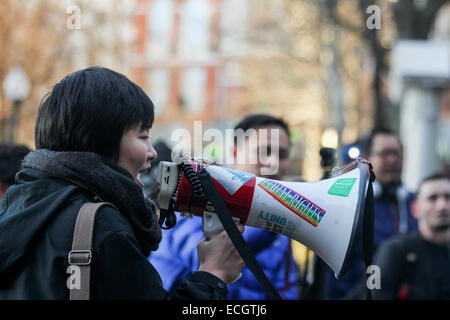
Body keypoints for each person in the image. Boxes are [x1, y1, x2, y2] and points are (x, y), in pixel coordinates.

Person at [0, 67, 245, 299]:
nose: (152, 153)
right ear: (102, 139)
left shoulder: (15, 206)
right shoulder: (101, 226)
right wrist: (214, 273)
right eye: (143, 136)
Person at [149, 114, 300, 300]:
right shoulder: (192, 201)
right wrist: (278, 219)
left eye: (282, 155)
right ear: (235, 153)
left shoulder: (279, 232)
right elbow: (203, 260)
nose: (273, 163)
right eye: (264, 151)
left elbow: (286, 288)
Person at [324, 127, 418, 299]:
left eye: (397, 154)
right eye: (384, 154)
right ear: (367, 159)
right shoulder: (354, 207)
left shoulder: (416, 203)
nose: (392, 160)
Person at [373, 173, 450, 300]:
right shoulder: (394, 251)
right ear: (415, 209)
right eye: (432, 198)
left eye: (448, 197)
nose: (442, 206)